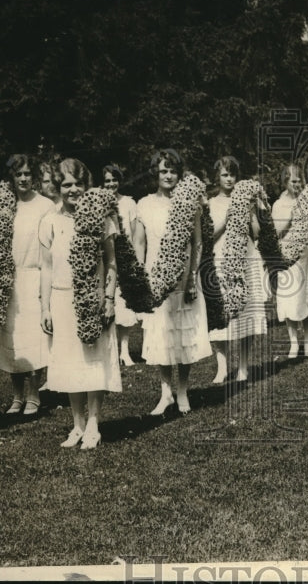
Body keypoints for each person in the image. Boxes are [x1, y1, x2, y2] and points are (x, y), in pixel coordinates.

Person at [39, 158, 121, 449]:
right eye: (66, 184)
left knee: (94, 361)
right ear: (58, 188)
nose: (73, 190)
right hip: (61, 299)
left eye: (78, 184)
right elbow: (46, 267)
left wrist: (109, 299)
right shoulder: (50, 220)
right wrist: (45, 307)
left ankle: (94, 424)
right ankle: (77, 424)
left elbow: (112, 263)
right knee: (70, 364)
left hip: (94, 299)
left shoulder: (103, 218)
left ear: (87, 186)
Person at [136, 150, 213, 414]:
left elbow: (198, 242)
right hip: (155, 277)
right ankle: (165, 392)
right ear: (155, 174)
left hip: (184, 278)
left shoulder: (189, 202)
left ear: (180, 175)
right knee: (162, 336)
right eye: (163, 171)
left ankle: (182, 390)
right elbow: (139, 244)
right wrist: (140, 281)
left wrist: (192, 278)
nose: (168, 176)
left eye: (173, 171)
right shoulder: (144, 204)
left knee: (183, 335)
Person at [0, 154, 54, 415]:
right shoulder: (3, 204)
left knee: (35, 338)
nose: (24, 178)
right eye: (19, 175)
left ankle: (34, 393)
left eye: (28, 174)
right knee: (12, 339)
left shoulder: (45, 206)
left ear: (34, 177)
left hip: (35, 277)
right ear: (11, 178)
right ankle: (17, 395)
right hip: (7, 279)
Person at [208, 155, 268, 383]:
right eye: (225, 174)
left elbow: (257, 232)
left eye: (232, 174)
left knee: (247, 313)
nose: (229, 179)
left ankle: (243, 366)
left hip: (247, 257)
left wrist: (251, 210)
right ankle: (222, 367)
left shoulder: (246, 199)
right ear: (217, 177)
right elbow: (209, 235)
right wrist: (228, 217)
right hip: (222, 260)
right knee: (221, 315)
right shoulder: (212, 203)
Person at [271, 164, 308, 358]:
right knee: (290, 297)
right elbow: (275, 233)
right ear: (285, 181)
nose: (297, 184)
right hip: (289, 256)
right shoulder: (278, 204)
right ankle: (293, 343)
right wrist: (291, 219)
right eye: (293, 180)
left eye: (299, 180)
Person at [102, 163, 145, 366]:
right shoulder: (99, 202)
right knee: (108, 304)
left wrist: (136, 262)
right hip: (107, 260)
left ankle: (125, 352)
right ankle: (110, 352)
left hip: (125, 259)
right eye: (107, 181)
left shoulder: (128, 203)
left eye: (114, 180)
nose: (111, 184)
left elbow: (136, 234)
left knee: (125, 307)